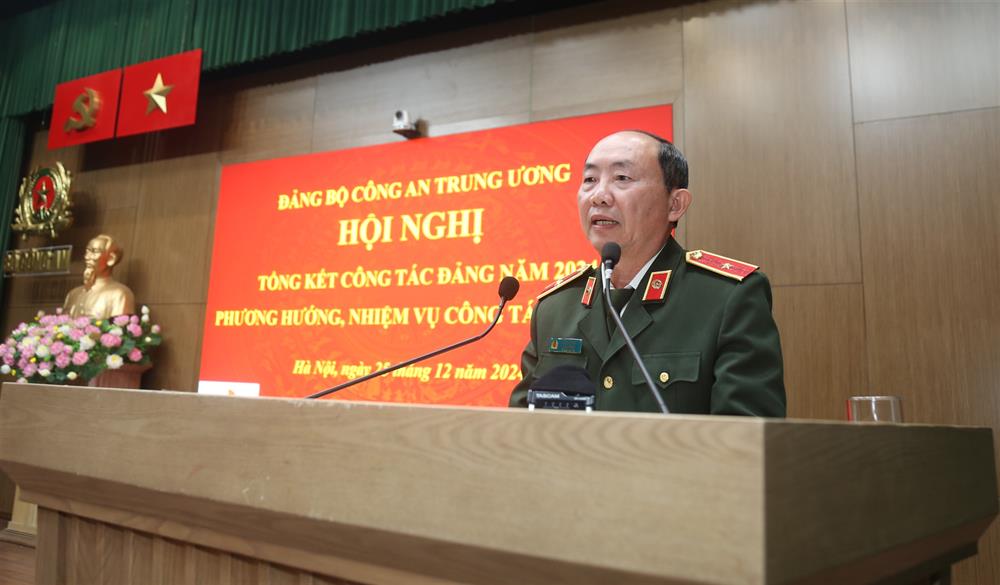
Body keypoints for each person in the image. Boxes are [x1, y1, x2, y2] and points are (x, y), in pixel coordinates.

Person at [509, 131, 785, 416]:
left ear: (675, 205)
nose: (599, 196)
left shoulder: (726, 298)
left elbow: (746, 435)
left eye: (622, 178)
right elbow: (520, 428)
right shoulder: (554, 308)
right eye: (590, 179)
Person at [64, 234, 136, 319]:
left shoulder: (120, 294)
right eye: (87, 251)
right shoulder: (73, 294)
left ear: (111, 259)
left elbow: (118, 326)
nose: (87, 257)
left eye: (94, 252)